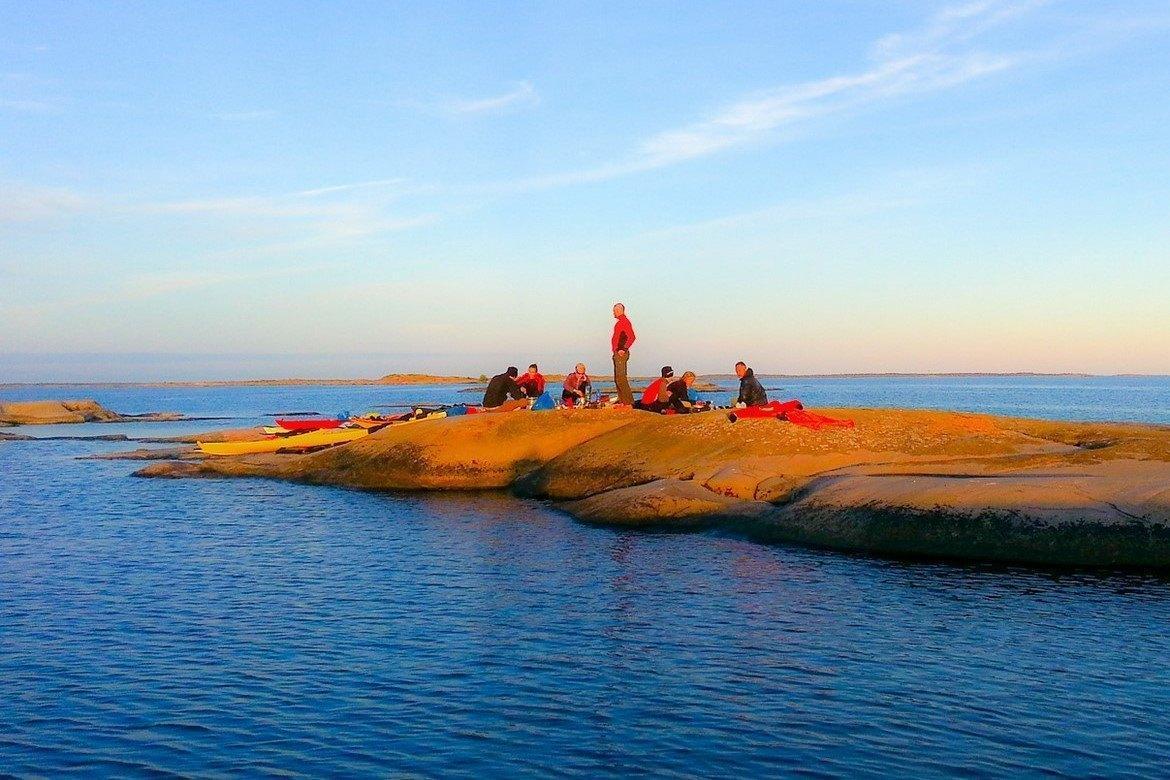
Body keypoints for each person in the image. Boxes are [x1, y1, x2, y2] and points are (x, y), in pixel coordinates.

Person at [611, 303, 636, 405]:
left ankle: (629, 402)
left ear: (619, 310)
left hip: (621, 352)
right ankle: (622, 401)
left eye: (614, 311)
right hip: (617, 352)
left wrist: (623, 349)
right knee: (617, 378)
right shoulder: (620, 322)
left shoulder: (624, 322)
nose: (613, 313)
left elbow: (632, 336)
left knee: (621, 377)